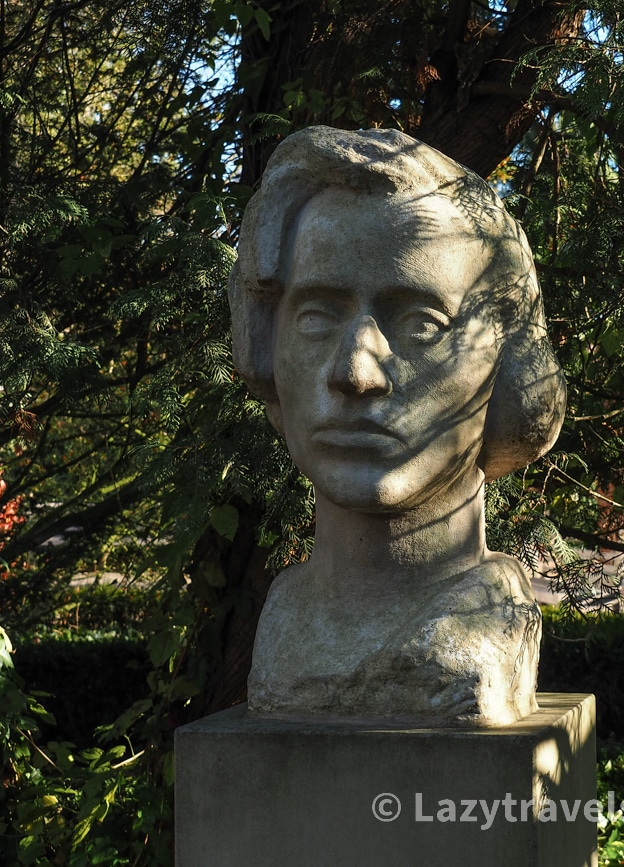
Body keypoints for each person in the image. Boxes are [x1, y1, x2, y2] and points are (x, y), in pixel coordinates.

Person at [229, 126, 565, 725]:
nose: (357, 373)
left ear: (507, 360)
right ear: (263, 347)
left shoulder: (485, 632)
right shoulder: (283, 622)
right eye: (315, 316)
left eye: (421, 324)